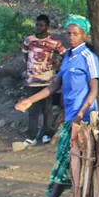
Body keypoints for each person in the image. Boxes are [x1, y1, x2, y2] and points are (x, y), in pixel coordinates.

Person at [14, 15, 99, 197]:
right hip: (71, 115)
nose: (71, 37)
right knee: (68, 161)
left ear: (84, 35)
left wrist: (81, 114)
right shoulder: (69, 56)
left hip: (83, 118)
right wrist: (30, 101)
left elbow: (94, 90)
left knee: (67, 159)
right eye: (69, 33)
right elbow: (54, 85)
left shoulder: (89, 57)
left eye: (75, 33)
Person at [21, 14, 66, 146]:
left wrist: (56, 63)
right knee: (33, 109)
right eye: (37, 25)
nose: (38, 27)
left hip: (47, 80)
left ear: (47, 26)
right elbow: (25, 54)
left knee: (47, 108)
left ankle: (46, 133)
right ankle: (31, 136)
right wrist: (31, 67)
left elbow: (65, 54)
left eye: (41, 25)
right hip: (32, 80)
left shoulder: (54, 42)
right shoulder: (29, 40)